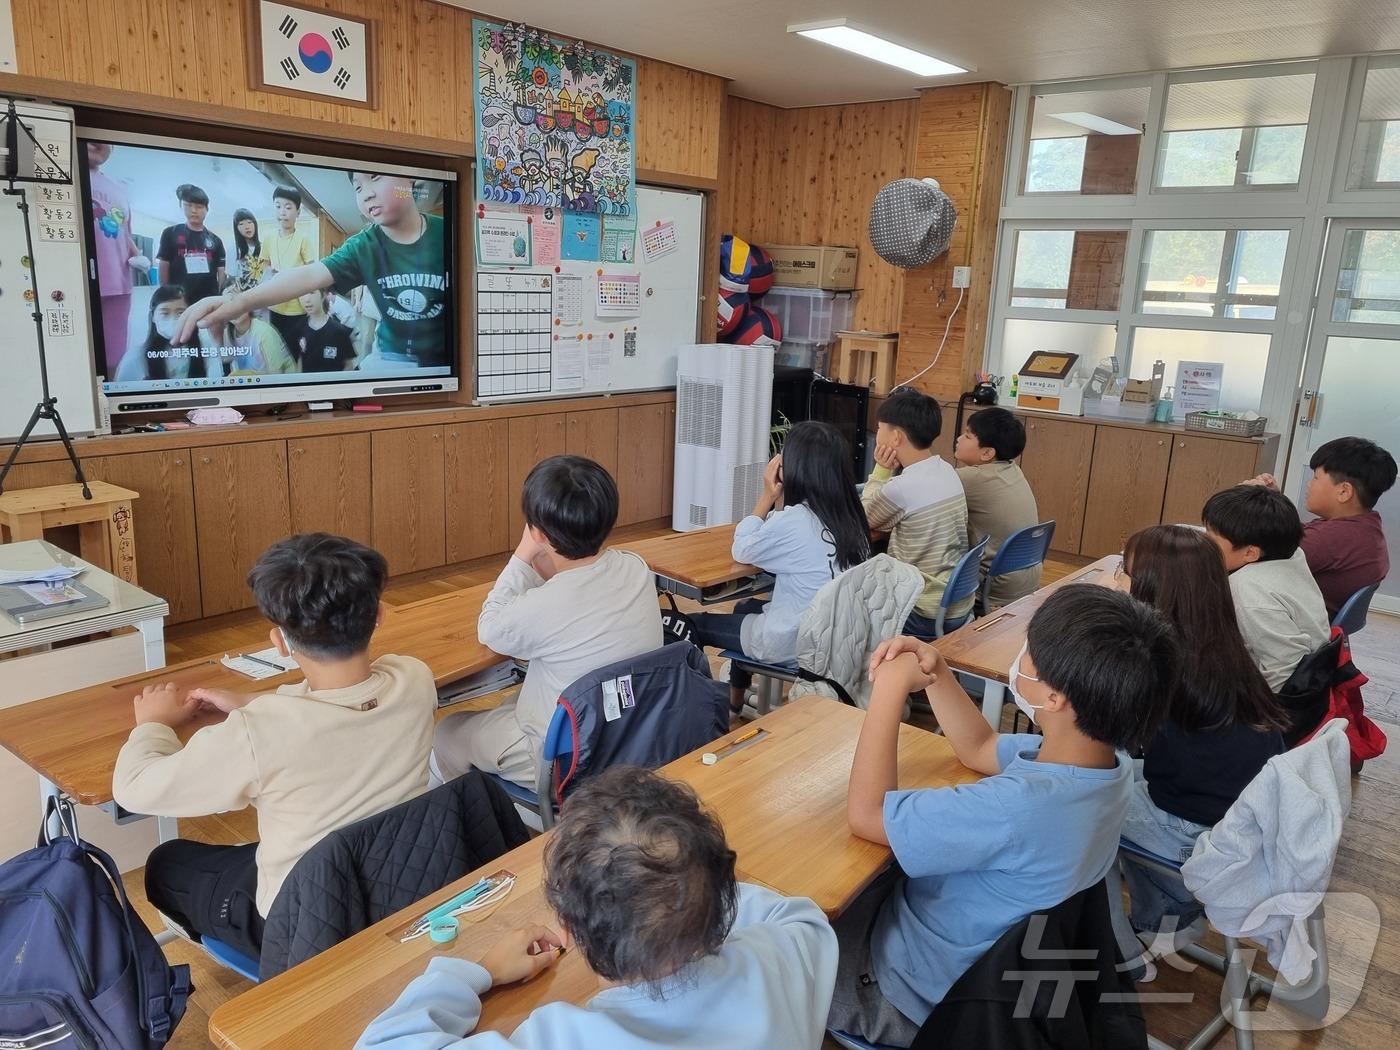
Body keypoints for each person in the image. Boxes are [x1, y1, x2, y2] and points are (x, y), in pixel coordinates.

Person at [829, 586, 1178, 1046]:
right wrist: (939, 673)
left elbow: (866, 814)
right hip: (961, 959)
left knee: (779, 928)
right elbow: (980, 748)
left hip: (908, 992)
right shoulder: (1106, 768)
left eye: (1030, 654)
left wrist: (890, 690)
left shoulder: (1018, 808)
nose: (1021, 660)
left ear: (1054, 698)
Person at [112, 534, 436, 961]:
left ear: (280, 642)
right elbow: (334, 702)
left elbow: (133, 788)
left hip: (305, 925)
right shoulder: (414, 678)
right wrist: (256, 705)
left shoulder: (259, 734)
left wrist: (153, 724)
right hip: (404, 880)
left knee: (167, 864)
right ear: (378, 615)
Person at [356, 767, 838, 1050]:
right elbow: (799, 916)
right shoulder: (780, 959)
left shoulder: (561, 1037)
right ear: (720, 903)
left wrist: (477, 972)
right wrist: (693, 892)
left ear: (568, 929)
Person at [1104, 525, 1286, 977]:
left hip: (1197, 829)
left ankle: (1120, 948)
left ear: (1149, 590)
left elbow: (1097, 735)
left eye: (1123, 574)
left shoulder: (1159, 660)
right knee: (1116, 779)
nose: (1117, 582)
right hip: (1240, 813)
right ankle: (1167, 913)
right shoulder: (1219, 643)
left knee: (1073, 813)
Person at [432, 457, 662, 787]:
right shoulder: (636, 568)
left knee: (447, 731)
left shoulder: (543, 606)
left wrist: (523, 553)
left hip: (563, 760)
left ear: (538, 532)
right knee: (511, 704)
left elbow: (490, 626)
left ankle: (487, 822)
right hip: (630, 733)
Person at [180, 172, 448, 369]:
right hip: (392, 356)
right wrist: (238, 301)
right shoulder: (363, 245)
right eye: (357, 187)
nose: (366, 193)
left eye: (375, 177)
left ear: (411, 180)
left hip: (448, 359)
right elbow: (307, 275)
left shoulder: (449, 233)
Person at [691, 421, 870, 711]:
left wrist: (767, 495)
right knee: (744, 607)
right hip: (835, 643)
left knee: (694, 623)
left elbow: (744, 547)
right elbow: (779, 538)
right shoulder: (852, 519)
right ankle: (735, 700)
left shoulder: (797, 520)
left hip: (793, 644)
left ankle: (707, 712)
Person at [1246, 438, 1396, 616]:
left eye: (1316, 478)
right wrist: (1274, 502)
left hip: (1291, 622)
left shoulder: (1331, 539)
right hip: (1312, 615)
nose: (1309, 484)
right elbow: (1292, 536)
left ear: (1344, 492)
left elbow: (1253, 558)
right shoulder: (1365, 525)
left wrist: (1245, 500)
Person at [1201, 485, 1330, 691]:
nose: (1203, 541)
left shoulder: (1248, 591)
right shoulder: (1290, 553)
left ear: (1251, 553)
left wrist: (1258, 717)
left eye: (1210, 537)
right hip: (1315, 664)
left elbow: (1284, 670)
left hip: (1281, 695)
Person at [861, 391, 969, 636]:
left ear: (896, 436)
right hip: (955, 605)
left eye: (880, 428)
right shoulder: (947, 470)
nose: (877, 434)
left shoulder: (902, 488)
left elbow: (863, 518)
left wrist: (880, 470)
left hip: (920, 611)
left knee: (847, 605)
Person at [953, 407, 1040, 611]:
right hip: (1025, 580)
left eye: (967, 435)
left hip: (994, 590)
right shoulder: (1012, 468)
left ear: (987, 453)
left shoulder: (971, 478)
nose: (958, 439)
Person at [86, 142, 149, 371]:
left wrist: (138, 256)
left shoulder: (119, 188)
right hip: (79, 284)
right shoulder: (67, 178)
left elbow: (125, 234)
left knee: (114, 358)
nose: (97, 142)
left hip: (120, 285)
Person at [113, 285, 223, 382]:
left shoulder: (206, 348)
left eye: (180, 313)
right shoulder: (136, 356)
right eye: (165, 313)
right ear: (153, 317)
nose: (173, 319)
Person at [260, 186, 315, 358]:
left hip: (297, 308)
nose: (282, 212)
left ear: (298, 212)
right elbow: (264, 264)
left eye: (288, 207)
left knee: (297, 351)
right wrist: (270, 271)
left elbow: (311, 269)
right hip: (275, 305)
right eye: (278, 206)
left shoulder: (303, 238)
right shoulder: (268, 237)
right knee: (276, 349)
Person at [156, 183, 225, 305]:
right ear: (181, 206)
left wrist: (219, 295)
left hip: (208, 299)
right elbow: (163, 264)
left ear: (206, 210)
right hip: (179, 298)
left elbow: (221, 271)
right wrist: (166, 293)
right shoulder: (170, 233)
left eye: (199, 206)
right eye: (188, 205)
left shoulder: (216, 240)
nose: (193, 210)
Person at [213, 308, 296, 375]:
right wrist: (217, 337)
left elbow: (277, 374)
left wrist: (249, 375)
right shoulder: (229, 332)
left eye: (236, 302)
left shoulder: (264, 332)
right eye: (227, 305)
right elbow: (226, 359)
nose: (233, 310)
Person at [296, 289, 359, 372]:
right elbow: (299, 360)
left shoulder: (339, 331)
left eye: (312, 293)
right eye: (302, 294)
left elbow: (348, 365)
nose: (307, 299)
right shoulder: (298, 328)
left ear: (323, 296)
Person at [230, 207, 267, 294]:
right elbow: (232, 277)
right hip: (244, 297)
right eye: (241, 224)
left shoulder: (264, 247)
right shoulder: (233, 250)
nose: (247, 227)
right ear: (236, 228)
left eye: (249, 222)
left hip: (263, 294)